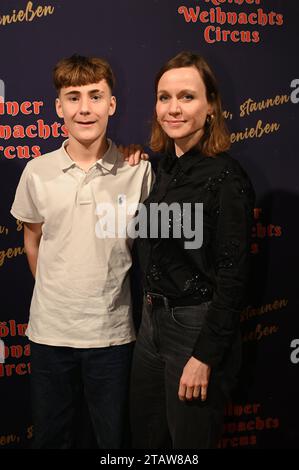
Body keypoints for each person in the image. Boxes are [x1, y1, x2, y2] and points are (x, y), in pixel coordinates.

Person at [10, 54, 153, 449]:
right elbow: (32, 241)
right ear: (59, 107)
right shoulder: (36, 171)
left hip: (113, 337)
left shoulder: (138, 171)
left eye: (95, 96)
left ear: (112, 104)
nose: (84, 108)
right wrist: (58, 294)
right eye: (73, 97)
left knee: (114, 441)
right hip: (49, 335)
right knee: (51, 439)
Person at [130, 51, 255, 449]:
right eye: (164, 97)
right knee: (146, 442)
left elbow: (234, 278)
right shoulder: (160, 167)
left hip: (195, 329)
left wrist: (204, 357)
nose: (173, 108)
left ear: (211, 106)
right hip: (150, 326)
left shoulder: (225, 177)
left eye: (186, 96)